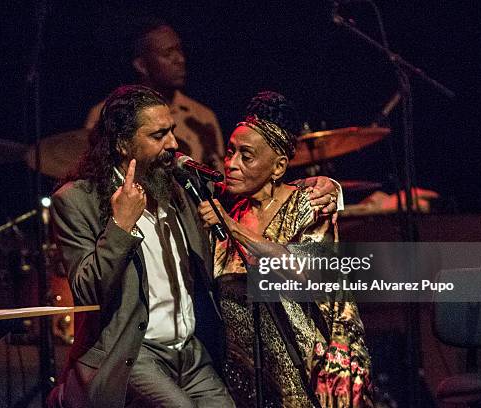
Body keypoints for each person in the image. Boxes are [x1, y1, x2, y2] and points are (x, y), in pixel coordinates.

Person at [48, 85, 235, 407]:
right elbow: (87, 290)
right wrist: (120, 226)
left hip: (189, 354)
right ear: (122, 143)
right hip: (134, 353)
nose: (173, 144)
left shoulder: (175, 190)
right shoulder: (78, 200)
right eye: (158, 135)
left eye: (172, 131)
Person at [198, 91, 374, 407]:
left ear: (278, 167)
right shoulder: (229, 208)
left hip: (307, 377)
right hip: (245, 383)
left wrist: (234, 229)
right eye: (230, 152)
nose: (231, 164)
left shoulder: (307, 206)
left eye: (246, 156)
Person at [85, 18, 226, 173]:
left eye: (179, 50)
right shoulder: (108, 114)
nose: (180, 59)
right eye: (168, 53)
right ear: (142, 65)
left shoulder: (202, 116)